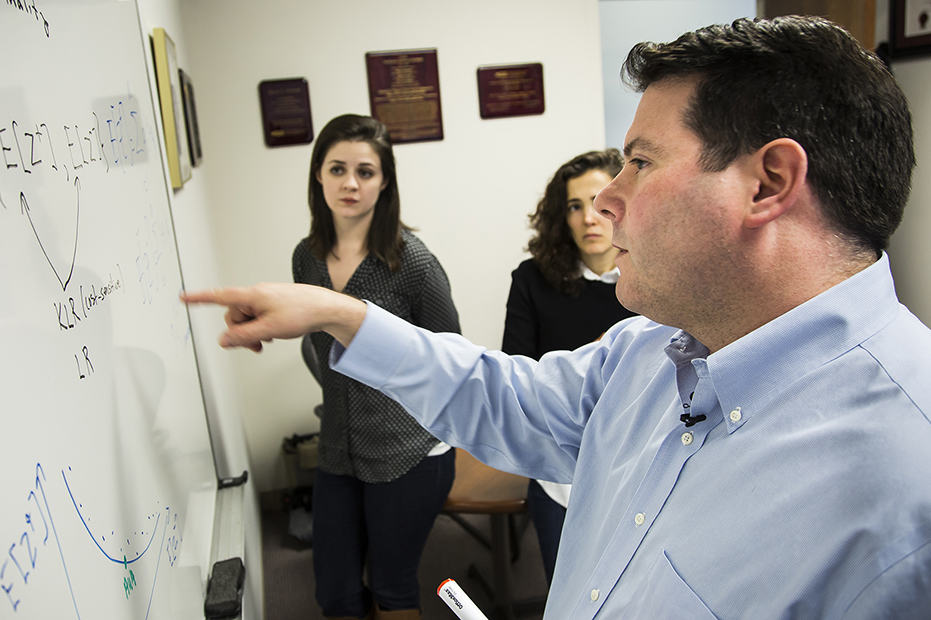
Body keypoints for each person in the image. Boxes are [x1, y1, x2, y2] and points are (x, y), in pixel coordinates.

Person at [184, 16, 931, 619]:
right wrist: (343, 315)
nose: (606, 202)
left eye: (639, 162)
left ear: (767, 182)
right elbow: (505, 397)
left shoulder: (906, 482)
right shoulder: (647, 349)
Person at [291, 113, 460, 620]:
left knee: (392, 586)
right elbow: (313, 344)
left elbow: (450, 356)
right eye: (337, 169)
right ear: (318, 174)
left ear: (384, 181)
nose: (350, 183)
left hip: (410, 449)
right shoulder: (307, 258)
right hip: (339, 446)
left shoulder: (413, 263)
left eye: (365, 171)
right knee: (335, 593)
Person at [502, 148, 636, 586]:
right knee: (569, 591)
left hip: (636, 461)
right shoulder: (531, 280)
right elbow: (515, 378)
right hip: (560, 468)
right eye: (574, 207)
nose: (588, 218)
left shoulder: (652, 281)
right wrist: (592, 358)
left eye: (598, 202)